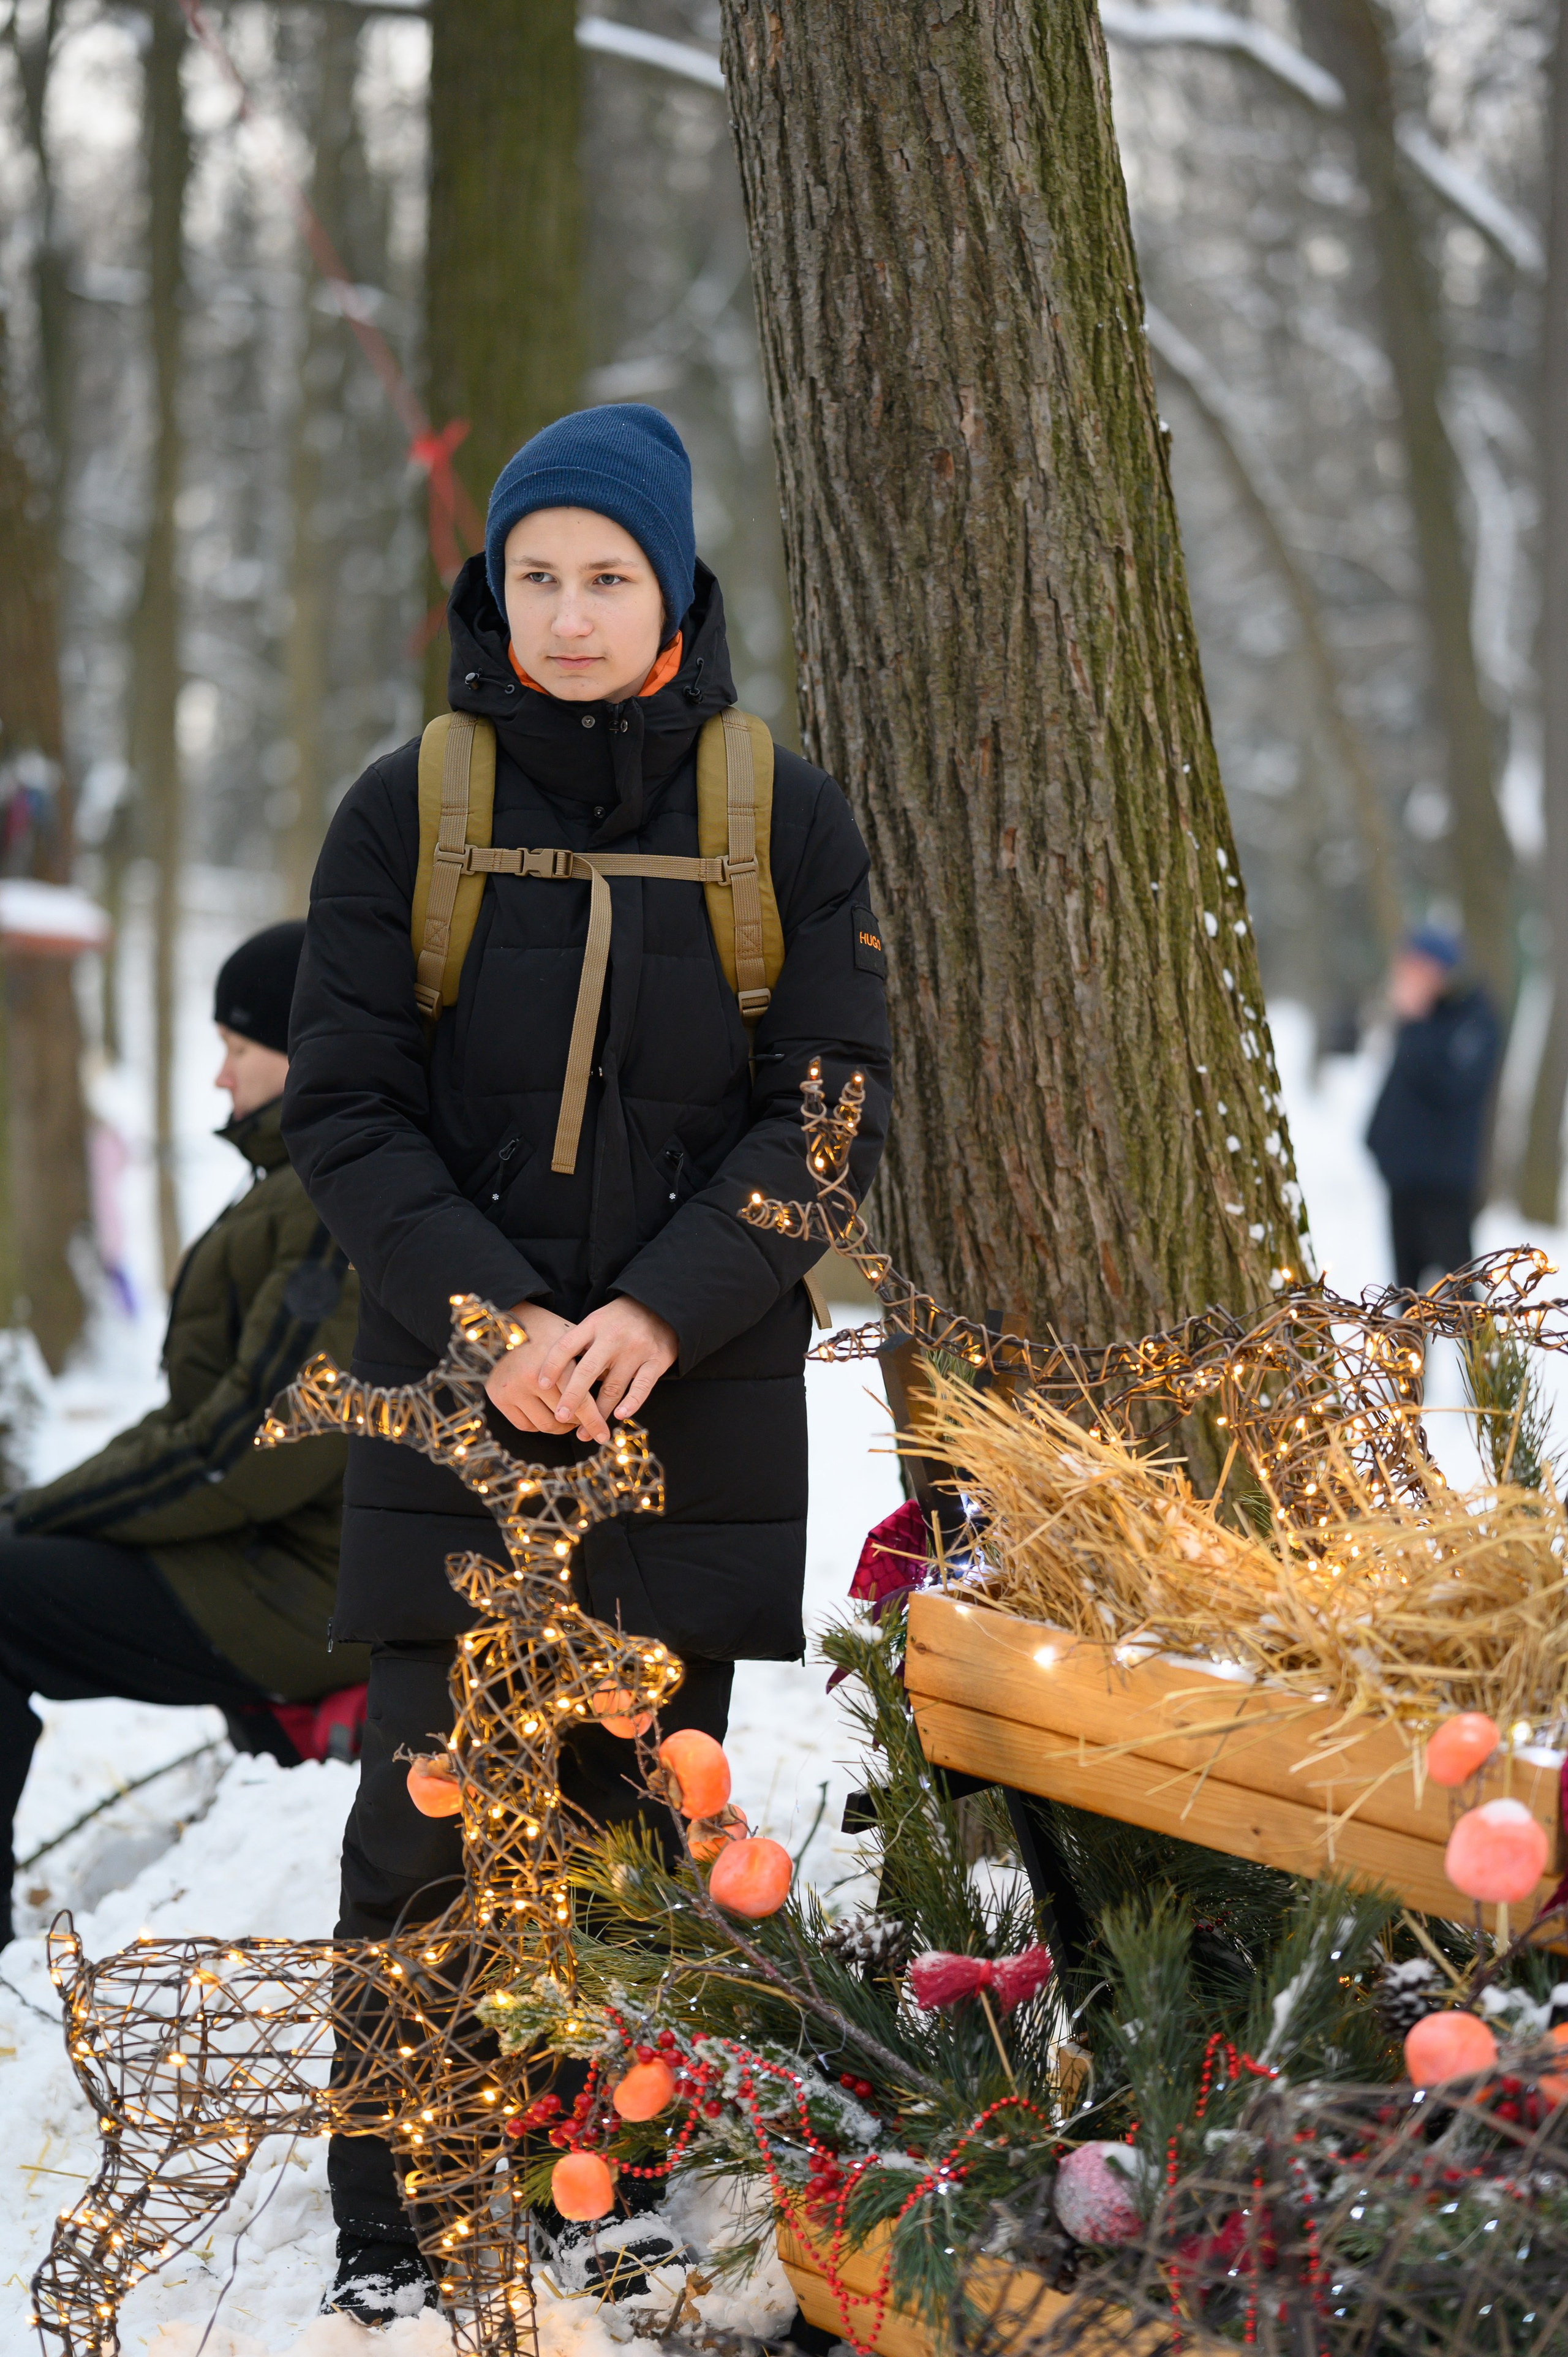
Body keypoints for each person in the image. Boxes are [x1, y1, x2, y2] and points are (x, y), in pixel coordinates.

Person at [283, 402, 892, 2322]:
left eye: (604, 576)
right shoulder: (409, 805)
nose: (564, 612)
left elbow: (828, 1113)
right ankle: (395, 2193)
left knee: (639, 1794)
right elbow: (349, 1111)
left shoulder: (778, 812)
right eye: (534, 573)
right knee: (428, 1814)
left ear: (675, 591)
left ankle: (595, 2174)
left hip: (684, 1401)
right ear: (496, 585)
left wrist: (653, 1314)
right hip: (460, 1396)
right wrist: (509, 1323)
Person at [0, 921, 368, 1948]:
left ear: (308, 1050)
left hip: (307, 1581)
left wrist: (37, 1513)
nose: (216, 1075)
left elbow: (246, 1444)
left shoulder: (332, 1207)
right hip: (293, 1561)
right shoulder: (301, 1190)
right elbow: (206, 1427)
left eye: (238, 1048)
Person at [1366, 925, 1501, 1292]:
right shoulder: (1420, 1023)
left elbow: (1450, 1087)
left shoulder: (1475, 1021)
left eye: (1416, 969)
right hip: (1404, 1181)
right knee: (1405, 1307)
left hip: (1445, 1189)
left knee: (1463, 1303)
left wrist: (1414, 1023)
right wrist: (1376, 1142)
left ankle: (1488, 1354)